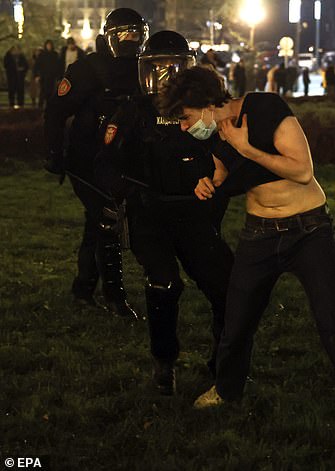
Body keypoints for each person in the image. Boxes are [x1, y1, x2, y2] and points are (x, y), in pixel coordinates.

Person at [159, 66, 335, 461]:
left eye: (185, 117)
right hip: (259, 235)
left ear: (207, 105)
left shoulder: (266, 108)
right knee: (236, 322)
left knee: (333, 326)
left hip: (309, 231)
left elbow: (302, 170)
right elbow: (224, 173)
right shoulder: (212, 136)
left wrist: (247, 148)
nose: (183, 127)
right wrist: (207, 183)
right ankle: (227, 389)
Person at [96, 31, 234, 396]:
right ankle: (164, 364)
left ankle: (223, 364)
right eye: (155, 69)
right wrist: (129, 193)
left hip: (195, 216)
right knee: (164, 283)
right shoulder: (133, 112)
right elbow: (105, 165)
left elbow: (231, 155)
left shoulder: (206, 109)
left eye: (171, 70)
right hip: (150, 215)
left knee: (227, 286)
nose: (163, 79)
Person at [43, 8, 149, 319]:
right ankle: (113, 296)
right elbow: (56, 112)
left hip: (126, 160)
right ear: (110, 37)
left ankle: (84, 288)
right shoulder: (86, 70)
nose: (132, 41)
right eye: (126, 34)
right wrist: (54, 154)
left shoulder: (143, 68)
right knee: (106, 218)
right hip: (87, 160)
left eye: (137, 35)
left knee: (99, 223)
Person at [33, 40, 62, 109]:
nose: (49, 47)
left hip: (52, 76)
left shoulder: (55, 55)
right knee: (43, 92)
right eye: (48, 45)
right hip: (43, 76)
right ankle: (40, 107)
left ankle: (49, 107)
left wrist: (58, 77)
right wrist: (36, 75)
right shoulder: (42, 55)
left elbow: (58, 66)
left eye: (50, 45)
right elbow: (37, 65)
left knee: (50, 92)